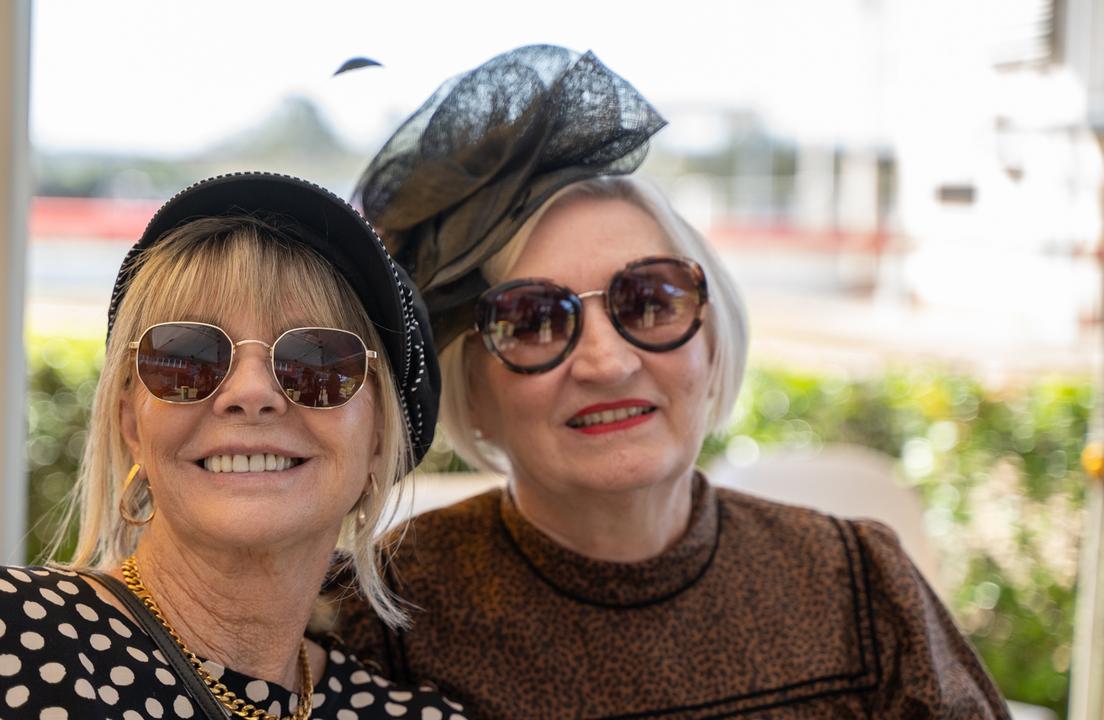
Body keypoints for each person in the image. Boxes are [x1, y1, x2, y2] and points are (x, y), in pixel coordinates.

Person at [333, 45, 1011, 719]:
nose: (609, 362)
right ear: (471, 385)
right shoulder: (387, 612)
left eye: (650, 301)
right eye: (534, 320)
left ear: (713, 340)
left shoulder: (859, 585)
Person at [0, 172, 470, 720]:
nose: (250, 393)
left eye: (317, 361)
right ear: (133, 421)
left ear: (380, 436)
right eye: (187, 357)